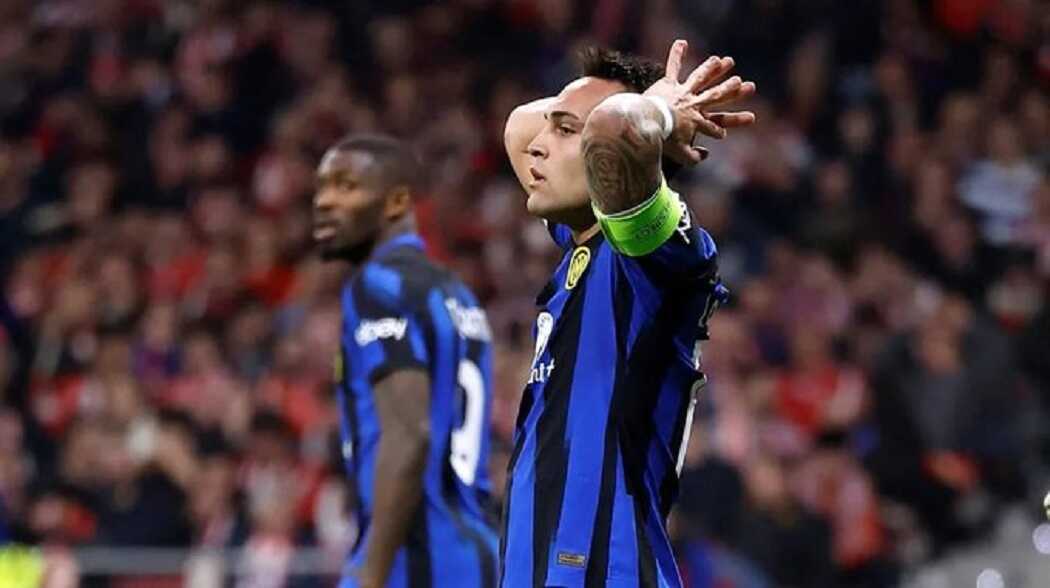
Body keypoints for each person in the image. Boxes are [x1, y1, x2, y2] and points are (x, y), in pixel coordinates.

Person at [499, 41, 756, 587]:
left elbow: (616, 129)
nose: (538, 146)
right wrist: (600, 110)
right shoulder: (581, 240)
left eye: (566, 131)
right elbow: (519, 126)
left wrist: (659, 113)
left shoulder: (652, 256)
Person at [314, 134, 498, 588]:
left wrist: (371, 573)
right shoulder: (458, 295)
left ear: (397, 201)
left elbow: (410, 433)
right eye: (322, 187)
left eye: (346, 186)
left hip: (416, 558)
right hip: (478, 553)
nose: (324, 202)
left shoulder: (377, 286)